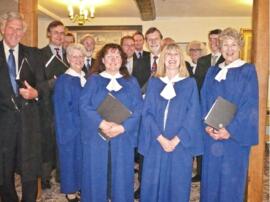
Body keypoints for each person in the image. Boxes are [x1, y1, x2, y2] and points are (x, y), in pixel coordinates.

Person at [138, 43, 203, 202]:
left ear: (181, 59)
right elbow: (146, 113)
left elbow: (193, 115)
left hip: (180, 144)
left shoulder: (189, 84)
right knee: (153, 183)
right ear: (162, 59)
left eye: (176, 54)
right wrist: (160, 138)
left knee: (177, 184)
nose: (172, 58)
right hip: (156, 142)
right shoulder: (154, 83)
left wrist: (175, 140)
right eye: (168, 54)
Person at [200, 27, 258, 202]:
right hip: (212, 137)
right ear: (220, 47)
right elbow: (204, 101)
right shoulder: (212, 72)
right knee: (210, 181)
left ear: (240, 46)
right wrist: (207, 126)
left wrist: (230, 130)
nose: (229, 49)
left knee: (231, 183)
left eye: (233, 44)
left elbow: (249, 105)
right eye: (225, 44)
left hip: (234, 139)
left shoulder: (247, 71)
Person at [80, 43, 143, 202]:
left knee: (121, 178)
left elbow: (139, 109)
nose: (113, 60)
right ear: (102, 59)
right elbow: (84, 105)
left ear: (123, 60)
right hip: (97, 137)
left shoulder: (131, 82)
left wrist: (123, 127)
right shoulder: (93, 80)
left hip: (122, 137)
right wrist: (101, 123)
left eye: (117, 56)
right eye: (109, 56)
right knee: (96, 176)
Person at [0, 11, 46, 202]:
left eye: (19, 29)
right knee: (4, 169)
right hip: (3, 123)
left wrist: (36, 93)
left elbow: (43, 85)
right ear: (2, 28)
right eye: (11, 27)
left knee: (30, 169)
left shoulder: (33, 54)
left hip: (29, 121)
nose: (15, 32)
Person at [53, 43, 86, 202]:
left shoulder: (85, 78)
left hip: (85, 129)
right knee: (69, 160)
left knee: (80, 160)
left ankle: (78, 187)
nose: (78, 59)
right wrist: (68, 132)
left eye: (81, 56)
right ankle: (70, 192)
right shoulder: (64, 80)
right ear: (68, 59)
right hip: (70, 129)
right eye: (74, 56)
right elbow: (62, 110)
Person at [39, 20, 69, 189]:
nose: (59, 36)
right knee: (47, 142)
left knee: (63, 142)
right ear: (48, 34)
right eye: (56, 32)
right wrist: (53, 82)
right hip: (46, 106)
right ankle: (44, 177)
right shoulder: (39, 54)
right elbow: (37, 82)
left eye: (62, 32)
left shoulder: (69, 54)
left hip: (66, 107)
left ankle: (61, 175)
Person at [192, 29, 224, 182]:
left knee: (217, 142)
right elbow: (197, 84)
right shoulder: (202, 60)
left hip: (220, 108)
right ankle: (200, 172)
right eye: (211, 39)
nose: (214, 42)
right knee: (202, 139)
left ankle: (215, 174)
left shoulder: (227, 59)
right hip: (202, 106)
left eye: (217, 39)